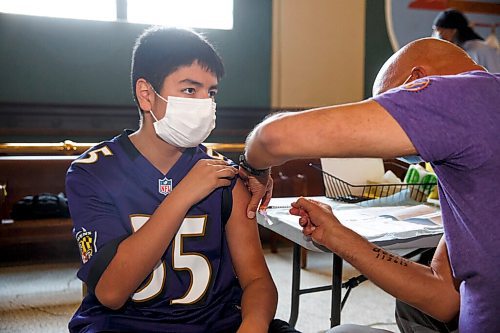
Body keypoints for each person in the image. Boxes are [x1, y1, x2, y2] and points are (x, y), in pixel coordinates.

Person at [239, 37, 500, 332]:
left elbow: (273, 137)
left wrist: (252, 168)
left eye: (390, 102)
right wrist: (339, 236)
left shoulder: (457, 96)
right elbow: (443, 296)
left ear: (416, 83)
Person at [66, 26, 297, 333]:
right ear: (147, 94)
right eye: (190, 90)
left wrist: (252, 325)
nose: (204, 103)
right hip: (125, 324)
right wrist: (182, 194)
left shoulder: (224, 174)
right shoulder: (94, 171)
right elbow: (110, 293)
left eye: (211, 92)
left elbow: (258, 281)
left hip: (214, 323)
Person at [432, 8, 500, 73]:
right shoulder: (447, 52)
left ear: (454, 31)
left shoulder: (482, 50)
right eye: (435, 30)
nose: (438, 35)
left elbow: (496, 77)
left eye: (440, 31)